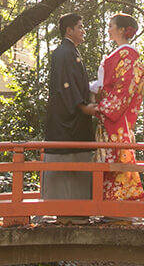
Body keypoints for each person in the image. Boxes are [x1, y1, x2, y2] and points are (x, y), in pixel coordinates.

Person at [41, 12, 98, 211]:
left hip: (72, 118)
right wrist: (83, 106)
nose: (83, 31)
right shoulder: (64, 53)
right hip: (66, 121)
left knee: (76, 163)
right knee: (68, 163)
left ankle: (74, 211)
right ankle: (67, 211)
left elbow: (74, 85)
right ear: (69, 30)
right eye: (80, 27)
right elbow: (65, 87)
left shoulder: (70, 52)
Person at [90, 12, 144, 202]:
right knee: (110, 159)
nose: (108, 29)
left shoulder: (127, 54)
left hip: (114, 115)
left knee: (115, 158)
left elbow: (124, 87)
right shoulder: (121, 54)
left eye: (111, 25)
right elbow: (104, 84)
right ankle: (110, 207)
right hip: (112, 114)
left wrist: (103, 107)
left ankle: (119, 209)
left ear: (122, 30)